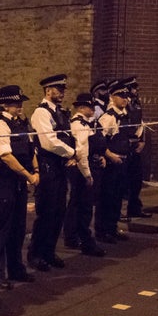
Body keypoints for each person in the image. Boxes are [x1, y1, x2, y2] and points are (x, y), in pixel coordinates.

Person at [0, 85, 38, 289]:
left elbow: (31, 149)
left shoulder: (22, 124)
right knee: (0, 228)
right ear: (5, 105)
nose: (20, 107)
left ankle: (16, 268)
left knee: (18, 228)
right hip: (3, 183)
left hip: (19, 182)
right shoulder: (0, 125)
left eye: (20, 103)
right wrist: (28, 175)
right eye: (16, 103)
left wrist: (36, 171)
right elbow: (6, 156)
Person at [27, 74, 77, 272]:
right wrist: (71, 153)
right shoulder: (42, 112)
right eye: (59, 89)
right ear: (48, 91)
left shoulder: (60, 112)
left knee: (58, 212)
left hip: (60, 166)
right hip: (48, 167)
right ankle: (35, 254)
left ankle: (48, 251)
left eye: (63, 89)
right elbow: (48, 141)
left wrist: (70, 155)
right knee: (46, 212)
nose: (62, 93)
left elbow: (68, 137)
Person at [63, 92, 106, 257]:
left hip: (87, 166)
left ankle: (73, 237)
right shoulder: (79, 124)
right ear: (81, 107)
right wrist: (87, 174)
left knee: (77, 204)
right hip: (82, 169)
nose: (93, 109)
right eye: (90, 106)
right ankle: (85, 241)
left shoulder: (86, 123)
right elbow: (81, 152)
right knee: (83, 207)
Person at [95, 81, 133, 244]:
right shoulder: (108, 117)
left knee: (117, 197)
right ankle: (102, 231)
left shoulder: (126, 115)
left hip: (123, 161)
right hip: (112, 162)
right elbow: (99, 140)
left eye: (126, 96)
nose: (124, 99)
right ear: (112, 97)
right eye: (121, 96)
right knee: (107, 198)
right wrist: (110, 156)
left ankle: (112, 228)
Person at [122, 76, 152, 219]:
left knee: (136, 179)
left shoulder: (136, 103)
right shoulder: (123, 104)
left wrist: (142, 141)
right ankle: (122, 211)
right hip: (126, 145)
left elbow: (141, 124)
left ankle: (135, 207)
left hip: (136, 144)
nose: (136, 90)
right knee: (124, 180)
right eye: (134, 87)